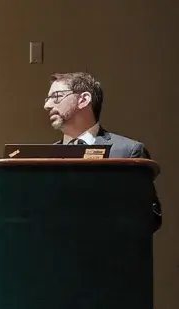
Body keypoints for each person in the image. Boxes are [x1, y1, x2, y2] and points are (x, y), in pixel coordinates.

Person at [44, 71, 162, 232]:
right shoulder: (44, 157)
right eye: (47, 99)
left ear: (84, 99)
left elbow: (151, 217)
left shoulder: (128, 151)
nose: (47, 105)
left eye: (56, 96)